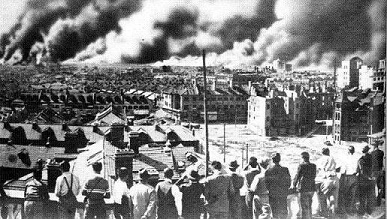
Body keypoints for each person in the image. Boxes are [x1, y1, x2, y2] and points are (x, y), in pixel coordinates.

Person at [265, 153, 291, 219]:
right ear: (280, 159)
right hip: (282, 193)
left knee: (274, 212)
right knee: (283, 210)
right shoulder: (285, 169)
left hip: (273, 193)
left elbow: (267, 184)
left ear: (272, 160)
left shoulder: (268, 171)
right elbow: (288, 182)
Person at [316, 147, 339, 217]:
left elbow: (319, 171)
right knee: (333, 199)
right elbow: (337, 168)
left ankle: (324, 214)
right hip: (335, 179)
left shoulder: (320, 160)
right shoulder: (333, 158)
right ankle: (333, 214)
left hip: (327, 180)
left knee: (322, 198)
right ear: (328, 152)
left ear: (322, 153)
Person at [292, 152, 316, 219]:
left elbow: (297, 176)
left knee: (303, 208)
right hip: (311, 188)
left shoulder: (301, 166)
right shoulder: (314, 166)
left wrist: (294, 185)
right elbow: (314, 176)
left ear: (303, 158)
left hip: (303, 188)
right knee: (309, 206)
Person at [338, 145, 359, 214]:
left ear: (348, 151)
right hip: (354, 177)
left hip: (347, 177)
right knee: (352, 195)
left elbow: (343, 170)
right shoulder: (357, 158)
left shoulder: (346, 158)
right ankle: (351, 210)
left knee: (344, 193)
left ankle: (343, 210)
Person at [357, 145, 373, 217]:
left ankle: (361, 211)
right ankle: (369, 210)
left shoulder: (361, 159)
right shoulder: (371, 157)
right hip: (371, 178)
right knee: (369, 195)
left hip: (363, 179)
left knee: (362, 196)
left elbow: (361, 171)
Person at [370, 140, 384, 206]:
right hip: (380, 171)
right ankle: (379, 202)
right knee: (379, 187)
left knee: (373, 186)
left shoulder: (372, 153)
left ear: (374, 146)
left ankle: (374, 201)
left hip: (374, 171)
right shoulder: (382, 152)